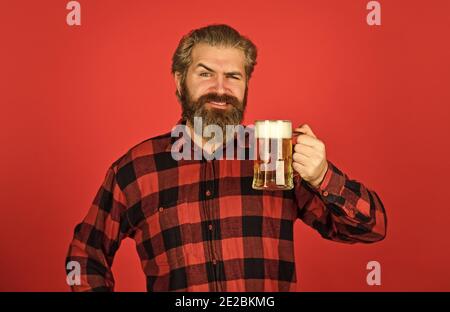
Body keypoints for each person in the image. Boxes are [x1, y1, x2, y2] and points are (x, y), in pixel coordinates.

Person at [65, 24, 387, 292]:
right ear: (179, 81)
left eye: (233, 76)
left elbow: (371, 228)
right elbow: (85, 254)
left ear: (246, 84)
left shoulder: (276, 158)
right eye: (205, 73)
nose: (220, 88)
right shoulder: (136, 169)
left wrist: (322, 176)